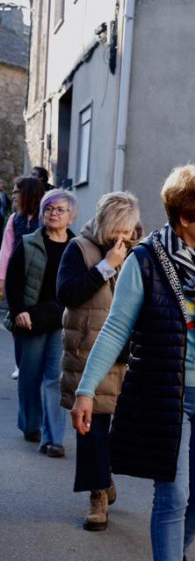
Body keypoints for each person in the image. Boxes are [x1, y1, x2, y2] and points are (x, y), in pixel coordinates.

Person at [70, 165, 195, 560]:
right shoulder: (146, 261)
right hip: (167, 394)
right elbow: (115, 329)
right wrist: (85, 389)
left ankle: (175, 551)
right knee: (173, 496)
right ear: (184, 217)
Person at [57, 192, 142, 531]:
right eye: (115, 230)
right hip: (89, 353)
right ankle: (97, 496)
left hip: (128, 358)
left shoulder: (140, 252)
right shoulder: (79, 248)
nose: (121, 238)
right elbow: (66, 293)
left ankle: (104, 480)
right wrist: (105, 266)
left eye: (128, 230)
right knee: (91, 429)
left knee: (117, 432)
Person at [5, 189, 77, 454]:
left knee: (54, 379)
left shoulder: (77, 246)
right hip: (31, 320)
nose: (53, 213)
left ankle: (53, 438)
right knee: (29, 376)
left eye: (59, 209)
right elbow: (13, 282)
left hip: (61, 321)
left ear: (71, 216)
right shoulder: (28, 242)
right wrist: (18, 311)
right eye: (49, 209)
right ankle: (30, 424)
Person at [0, 176, 44, 380]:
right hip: (17, 278)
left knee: (36, 319)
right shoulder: (14, 219)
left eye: (16, 192)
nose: (13, 195)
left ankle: (37, 360)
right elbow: (6, 250)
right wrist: (2, 278)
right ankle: (21, 363)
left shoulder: (43, 218)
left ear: (27, 194)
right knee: (15, 322)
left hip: (40, 277)